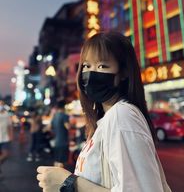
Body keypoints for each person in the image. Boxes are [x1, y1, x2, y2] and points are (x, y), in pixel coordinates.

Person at [37, 31, 171, 192]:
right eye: (86, 66)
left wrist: (68, 182)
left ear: (123, 73)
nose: (91, 74)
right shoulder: (105, 120)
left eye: (102, 66)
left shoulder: (122, 116)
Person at [51, 99, 70, 168]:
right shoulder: (64, 116)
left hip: (56, 142)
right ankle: (60, 178)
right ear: (64, 107)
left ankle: (54, 177)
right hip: (63, 142)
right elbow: (67, 126)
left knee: (56, 161)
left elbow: (50, 126)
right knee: (61, 162)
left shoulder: (55, 116)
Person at [0, 100, 13, 170]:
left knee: (6, 154)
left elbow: (10, 126)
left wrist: (11, 135)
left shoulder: (7, 114)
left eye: (1, 104)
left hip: (5, 138)